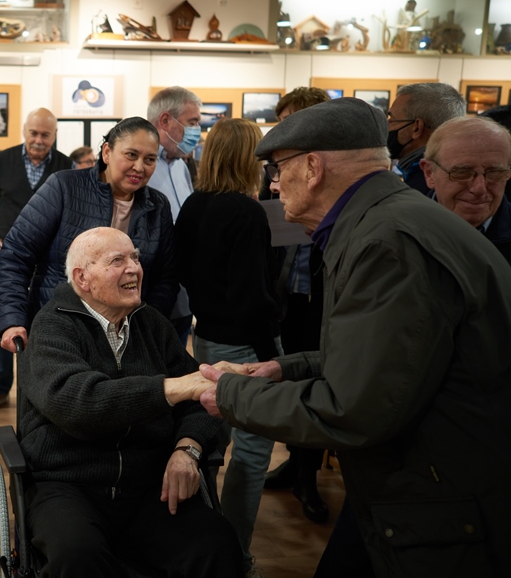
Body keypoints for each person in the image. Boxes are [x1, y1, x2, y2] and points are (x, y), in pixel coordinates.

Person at [197, 97, 511, 578]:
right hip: (420, 492)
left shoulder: (387, 244)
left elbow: (351, 410)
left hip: (437, 506)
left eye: (279, 170)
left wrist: (227, 393)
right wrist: (289, 367)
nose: (274, 185)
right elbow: (400, 356)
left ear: (313, 167)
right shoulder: (388, 222)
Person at [20, 227, 242, 578]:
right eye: (117, 260)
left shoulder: (151, 324)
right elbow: (80, 404)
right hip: (68, 484)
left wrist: (188, 449)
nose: (134, 268)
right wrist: (172, 387)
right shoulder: (52, 327)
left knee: (216, 542)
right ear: (83, 278)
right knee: (77, 557)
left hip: (148, 485)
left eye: (135, 258)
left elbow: (202, 399)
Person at [170, 117, 281, 577]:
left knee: (209, 445)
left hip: (206, 336)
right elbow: (250, 297)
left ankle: (204, 545)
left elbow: (181, 269)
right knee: (252, 457)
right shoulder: (246, 212)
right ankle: (234, 556)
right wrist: (272, 349)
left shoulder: (194, 204)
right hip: (245, 347)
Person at [0, 117, 177, 354]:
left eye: (150, 159)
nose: (140, 167)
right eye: (131, 155)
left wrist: (147, 326)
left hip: (125, 340)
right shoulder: (64, 187)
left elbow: (166, 277)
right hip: (57, 332)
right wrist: (12, 320)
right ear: (107, 152)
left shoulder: (158, 206)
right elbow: (16, 255)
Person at [0, 108, 72, 416]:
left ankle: (42, 388)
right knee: (7, 317)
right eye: (34, 133)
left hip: (52, 258)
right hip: (11, 254)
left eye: (45, 135)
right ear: (24, 132)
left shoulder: (66, 166)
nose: (39, 140)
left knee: (46, 320)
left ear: (54, 136)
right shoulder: (4, 159)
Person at [260, 87, 332, 525]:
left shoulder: (331, 171)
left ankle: (308, 476)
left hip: (325, 298)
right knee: (289, 380)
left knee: (320, 383)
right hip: (287, 295)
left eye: (290, 120)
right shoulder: (278, 168)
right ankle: (294, 463)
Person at [147, 86, 202, 346]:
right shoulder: (139, 168)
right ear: (166, 120)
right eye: (192, 123)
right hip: (152, 296)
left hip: (184, 297)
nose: (196, 131)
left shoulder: (181, 165)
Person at [420, 115, 511, 264]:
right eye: (462, 172)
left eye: (495, 172)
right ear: (429, 173)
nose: (479, 188)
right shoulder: (396, 235)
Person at [385, 82, 466, 194]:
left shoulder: (425, 183)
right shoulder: (451, 172)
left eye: (392, 119)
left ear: (417, 128)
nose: (387, 125)